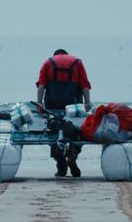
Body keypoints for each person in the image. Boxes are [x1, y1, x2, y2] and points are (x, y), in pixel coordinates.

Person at [36, 49, 92, 177]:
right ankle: (72, 154)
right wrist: (87, 102)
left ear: (55, 55)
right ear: (66, 54)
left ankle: (60, 163)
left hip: (52, 105)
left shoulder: (47, 62)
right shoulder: (77, 62)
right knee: (77, 131)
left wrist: (39, 103)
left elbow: (41, 86)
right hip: (73, 105)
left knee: (53, 132)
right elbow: (84, 85)